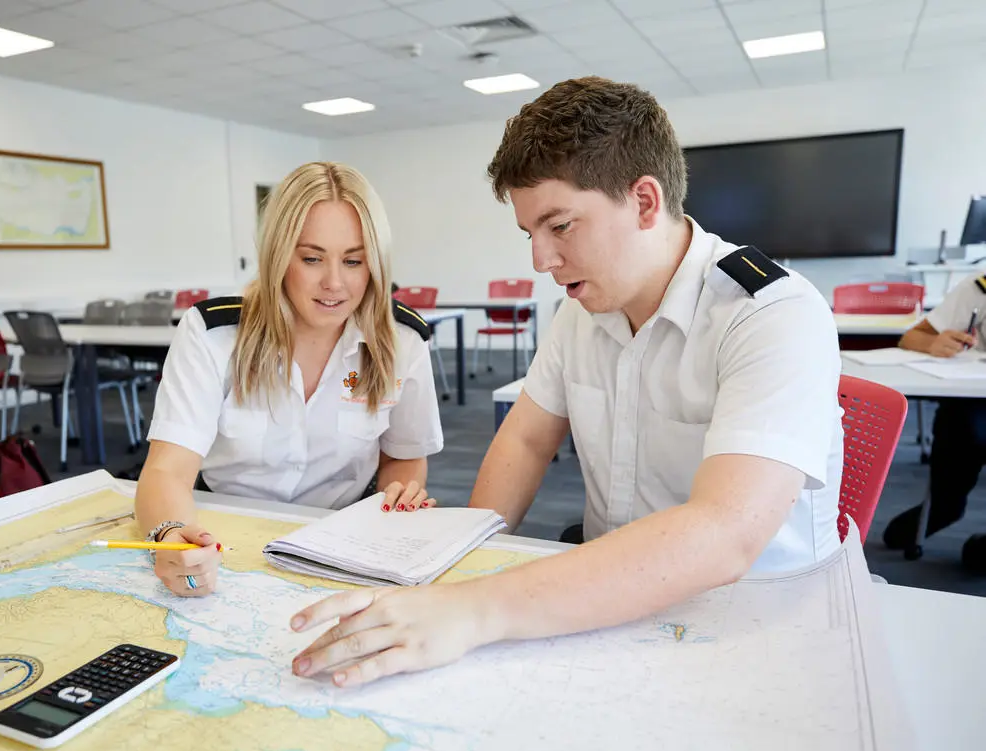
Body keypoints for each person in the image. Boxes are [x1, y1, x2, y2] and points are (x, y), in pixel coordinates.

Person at [288, 77, 844, 688]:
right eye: (531, 234)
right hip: (602, 604)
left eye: (560, 227)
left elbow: (725, 535)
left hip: (756, 626)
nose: (540, 260)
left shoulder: (771, 314)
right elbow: (524, 442)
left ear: (644, 202)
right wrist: (451, 570)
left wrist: (477, 610)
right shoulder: (581, 316)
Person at [135, 162, 444, 599]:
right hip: (222, 541)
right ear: (279, 256)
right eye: (312, 258)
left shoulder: (402, 341)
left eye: (354, 261)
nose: (335, 283)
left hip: (344, 546)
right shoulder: (214, 336)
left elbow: (404, 457)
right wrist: (169, 537)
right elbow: (167, 470)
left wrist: (399, 493)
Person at [882, 273, 986, 565]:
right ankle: (943, 508)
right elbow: (912, 337)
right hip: (976, 402)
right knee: (962, 425)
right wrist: (933, 344)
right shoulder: (978, 289)